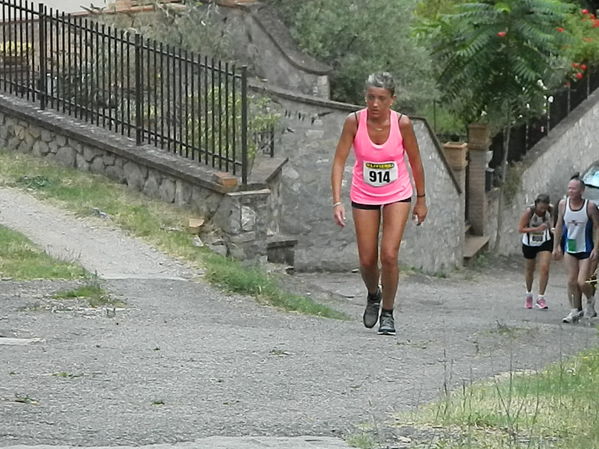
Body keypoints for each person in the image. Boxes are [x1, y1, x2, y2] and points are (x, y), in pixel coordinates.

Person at [330, 72, 427, 336]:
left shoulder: (403, 124)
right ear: (365, 97)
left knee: (389, 255)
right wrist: (337, 200)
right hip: (364, 194)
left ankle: (388, 312)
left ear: (392, 100)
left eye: (381, 99)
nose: (375, 104)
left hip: (397, 193)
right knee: (367, 260)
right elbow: (339, 160)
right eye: (371, 97)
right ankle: (373, 294)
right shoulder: (354, 122)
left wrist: (421, 199)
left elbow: (416, 162)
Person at [553, 176, 599, 323]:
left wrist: (596, 248)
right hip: (570, 248)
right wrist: (556, 246)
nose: (571, 191)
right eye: (569, 188)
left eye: (574, 189)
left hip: (586, 249)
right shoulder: (562, 204)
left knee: (582, 282)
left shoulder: (590, 206)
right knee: (571, 281)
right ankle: (575, 310)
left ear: (581, 190)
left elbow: (597, 227)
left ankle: (590, 302)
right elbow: (559, 225)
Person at [518, 194, 554, 310]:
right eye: (540, 208)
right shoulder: (529, 212)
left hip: (545, 241)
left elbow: (556, 223)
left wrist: (552, 229)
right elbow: (521, 229)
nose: (542, 210)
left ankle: (541, 297)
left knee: (544, 268)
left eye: (544, 208)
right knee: (530, 269)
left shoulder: (551, 211)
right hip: (530, 243)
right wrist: (536, 229)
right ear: (536, 204)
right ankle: (529, 294)